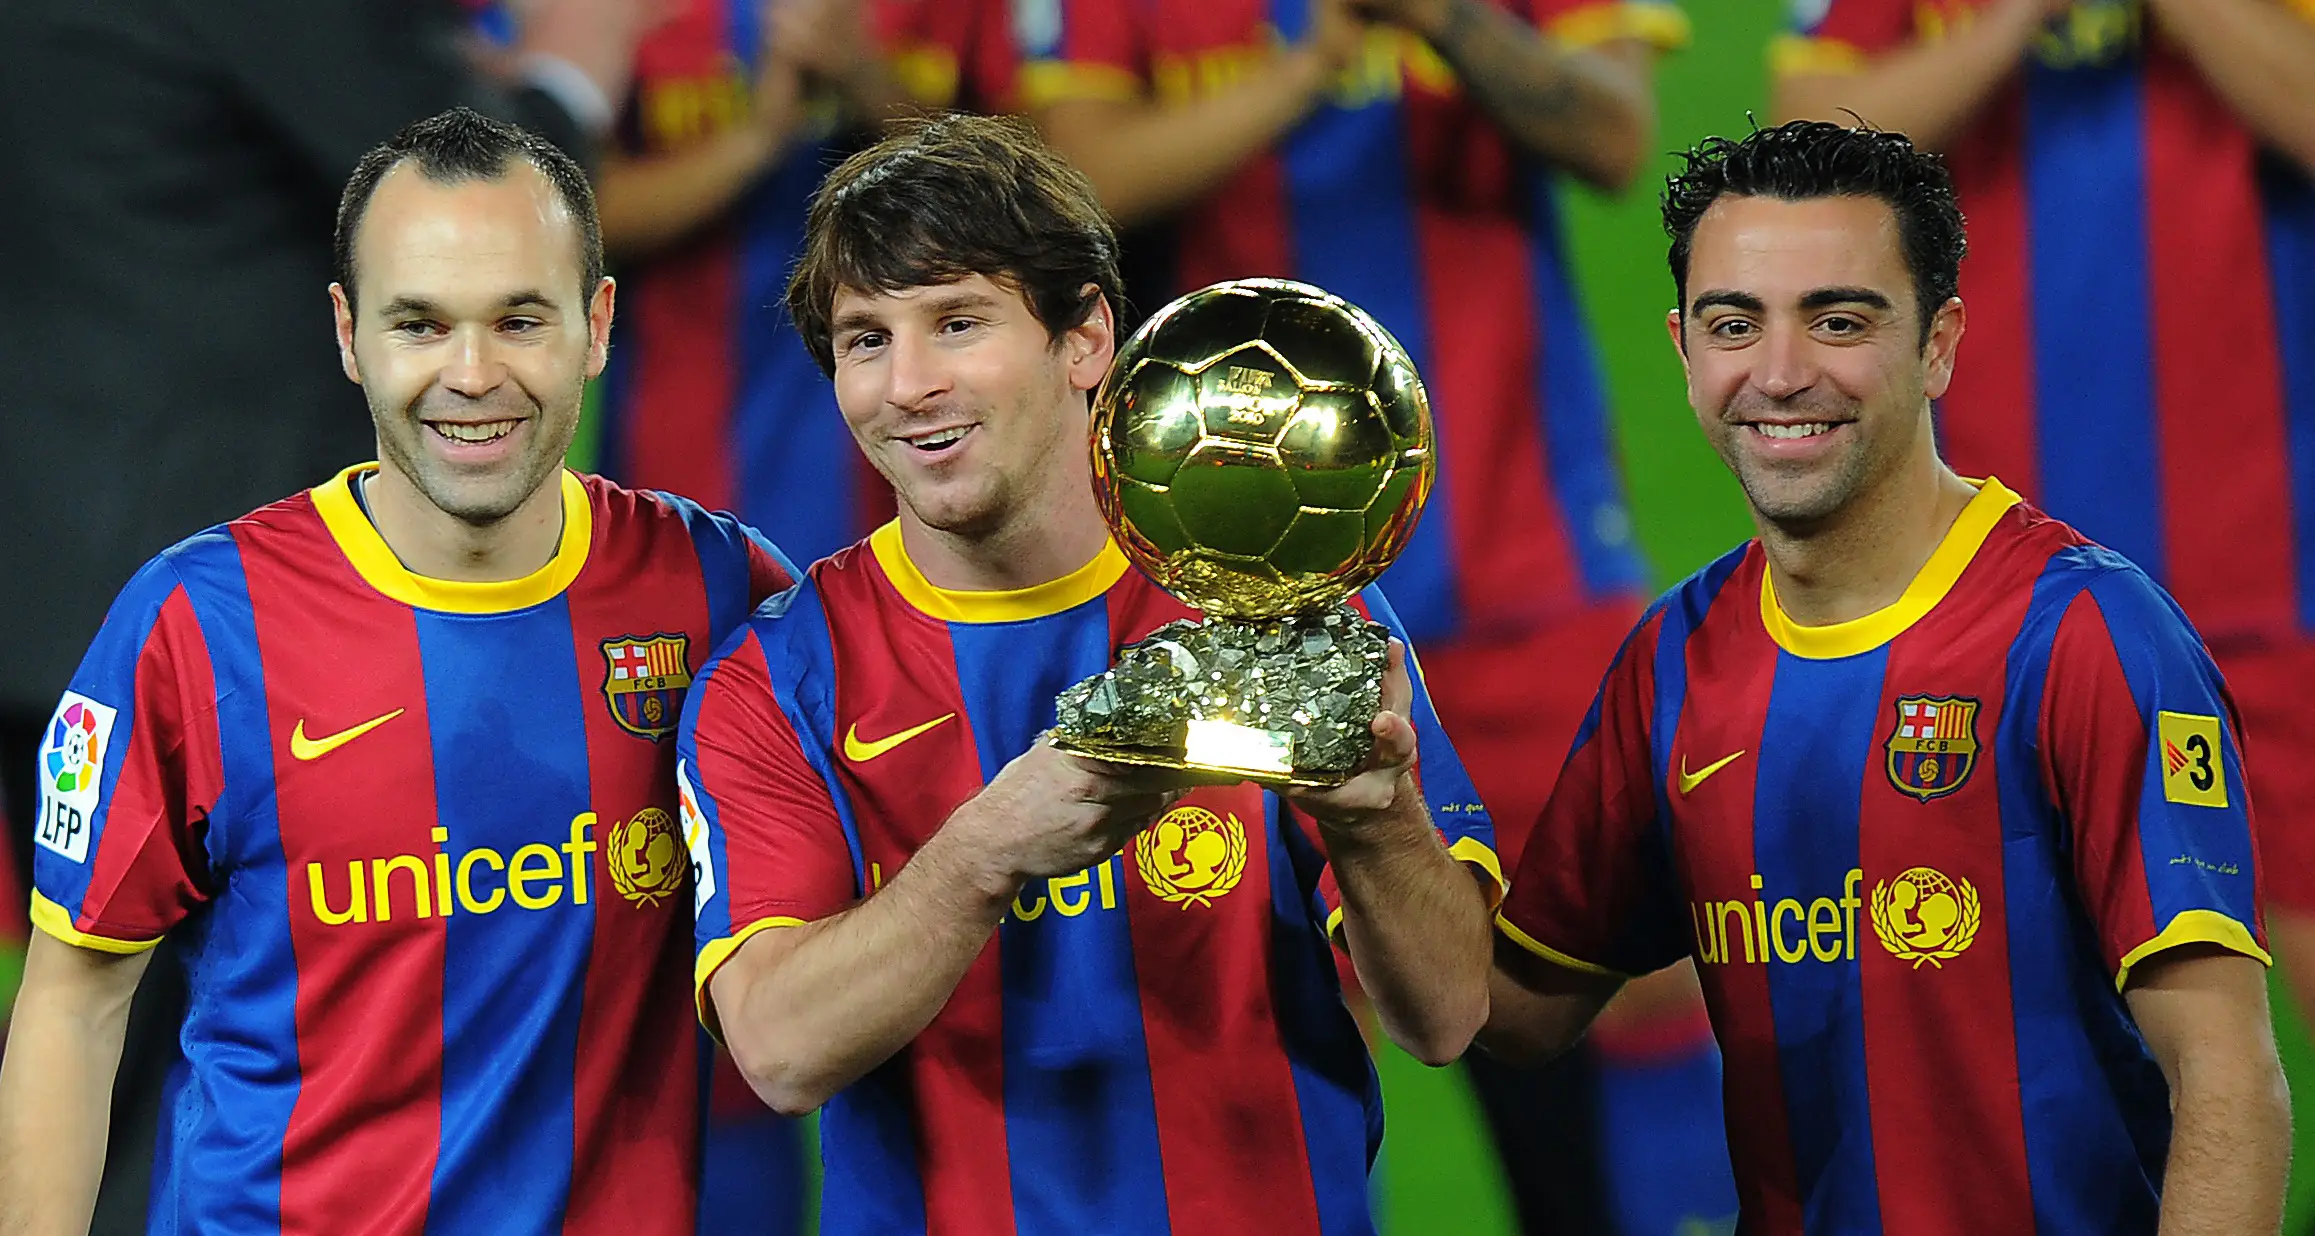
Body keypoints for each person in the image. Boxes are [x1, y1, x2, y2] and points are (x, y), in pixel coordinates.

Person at [681, 113, 1498, 1230]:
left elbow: (1446, 1014)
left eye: (956, 322)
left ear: (1086, 340)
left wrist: (1376, 823)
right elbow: (776, 1052)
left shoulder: (1282, 600)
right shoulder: (778, 678)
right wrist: (984, 852)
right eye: (864, 340)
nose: (907, 384)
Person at [1481, 119, 2291, 1232]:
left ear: (1938, 341)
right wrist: (1374, 806)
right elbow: (1516, 1010)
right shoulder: (1673, 659)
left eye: (1836, 319)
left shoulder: (2082, 633)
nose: (1778, 373)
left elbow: (2225, 1075)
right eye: (1734, 324)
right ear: (1682, 351)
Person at [0, 108, 797, 1235]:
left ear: (597, 321)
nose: (471, 375)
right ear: (346, 333)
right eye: (419, 325)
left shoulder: (715, 591)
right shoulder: (195, 624)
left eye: (519, 318)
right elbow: (74, 1006)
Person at [1013, 1, 1733, 1226]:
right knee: (1263, 1008)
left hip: (1527, 577)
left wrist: (1441, 18)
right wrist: (1310, 69)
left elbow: (1615, 137)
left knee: (1621, 991)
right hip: (1239, 592)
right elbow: (1074, 179)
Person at [1771, 0, 2315, 1031]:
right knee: (1999, 1004)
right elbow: (1811, 151)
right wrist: (2011, 22)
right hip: (2000, 596)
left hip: (2271, 561)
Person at [592, 0, 1017, 566]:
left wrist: (868, 80)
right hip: (680, 417)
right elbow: (575, 211)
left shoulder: (961, 16)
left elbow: (1041, 188)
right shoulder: (629, 17)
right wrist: (757, 138)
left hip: (904, 413)